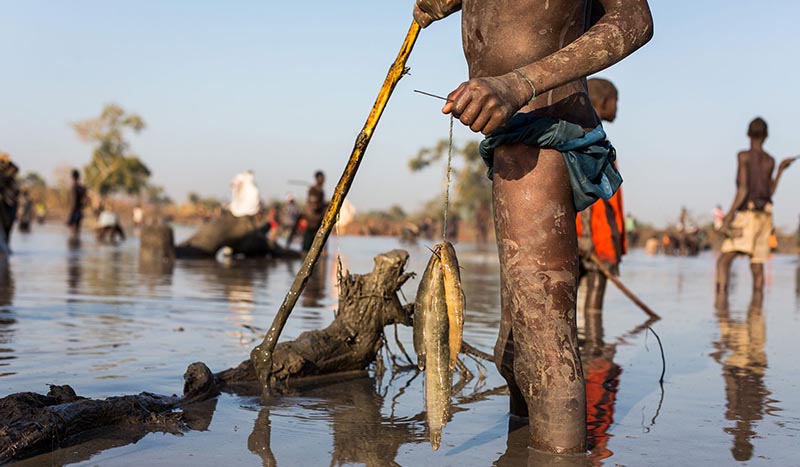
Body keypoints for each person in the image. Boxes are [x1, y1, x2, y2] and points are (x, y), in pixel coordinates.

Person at [414, 0, 653, 454]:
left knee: (546, 355)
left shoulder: (528, 103)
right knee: (516, 351)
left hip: (543, 132)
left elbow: (635, 21)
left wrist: (518, 84)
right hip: (514, 141)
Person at [715, 117, 795, 310]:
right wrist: (780, 171)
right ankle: (756, 322)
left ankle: (721, 313)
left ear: (748, 134)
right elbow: (770, 193)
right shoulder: (770, 161)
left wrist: (727, 217)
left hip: (748, 216)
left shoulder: (743, 156)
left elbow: (743, 190)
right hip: (765, 217)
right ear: (766, 136)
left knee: (724, 261)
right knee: (758, 266)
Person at [576, 78, 626, 316]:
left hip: (582, 237)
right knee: (593, 310)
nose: (618, 108)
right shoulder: (593, 139)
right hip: (594, 238)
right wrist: (587, 240)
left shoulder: (582, 134)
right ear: (605, 101)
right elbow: (588, 193)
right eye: (617, 101)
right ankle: (597, 351)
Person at [302, 170, 327, 252]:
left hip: (318, 222)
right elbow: (314, 205)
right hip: (311, 221)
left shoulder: (321, 191)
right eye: (321, 178)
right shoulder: (313, 190)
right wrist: (324, 204)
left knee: (317, 246)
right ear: (317, 179)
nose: (323, 180)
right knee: (307, 246)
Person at [0, 154, 20, 255]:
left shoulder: (7, 173)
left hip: (8, 205)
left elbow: (15, 169)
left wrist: (7, 161)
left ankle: (5, 247)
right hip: (5, 205)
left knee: (7, 230)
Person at [67, 169, 87, 241]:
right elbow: (86, 201)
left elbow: (74, 201)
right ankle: (77, 247)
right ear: (78, 177)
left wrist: (71, 213)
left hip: (74, 211)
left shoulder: (74, 187)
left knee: (73, 230)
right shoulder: (82, 188)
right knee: (77, 230)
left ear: (72, 177)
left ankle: (74, 248)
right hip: (79, 211)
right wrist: (82, 206)